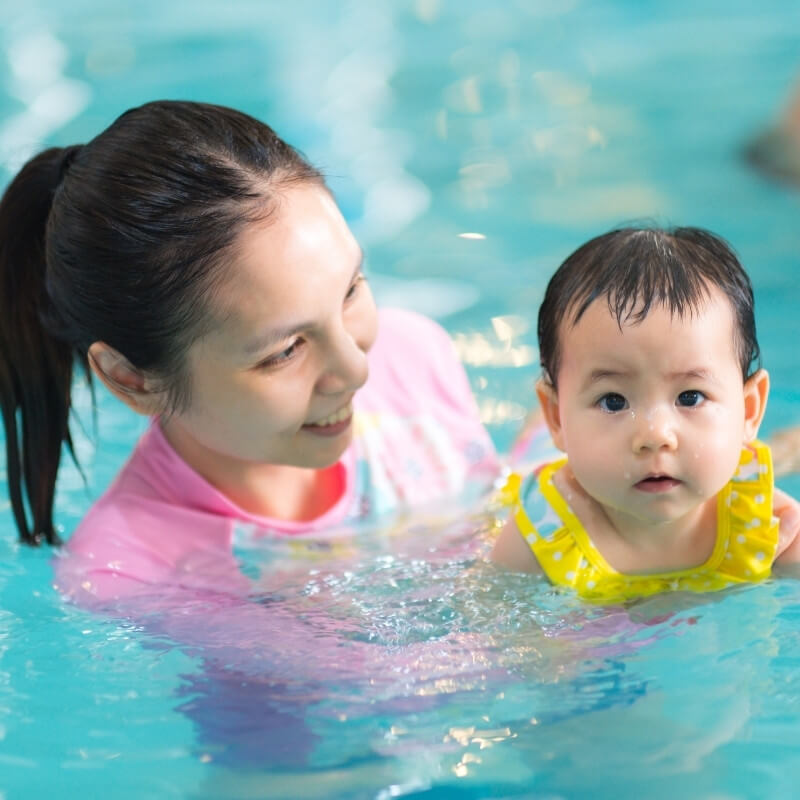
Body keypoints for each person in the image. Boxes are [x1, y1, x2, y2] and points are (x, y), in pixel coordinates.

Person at [0, 100, 501, 605]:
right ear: (131, 378)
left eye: (350, 289)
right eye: (285, 352)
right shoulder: (132, 576)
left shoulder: (413, 357)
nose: (357, 368)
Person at [491, 227, 800, 603]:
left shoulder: (768, 527)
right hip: (546, 470)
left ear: (750, 410)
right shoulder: (536, 539)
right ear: (559, 417)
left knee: (770, 455)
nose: (655, 435)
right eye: (614, 401)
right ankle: (538, 423)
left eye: (690, 396)